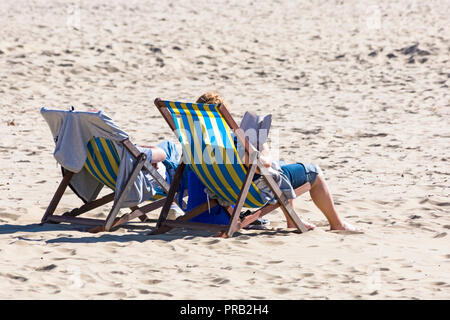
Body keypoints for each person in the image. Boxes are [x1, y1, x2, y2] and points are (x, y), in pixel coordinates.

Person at [196, 92, 360, 232]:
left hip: (222, 191)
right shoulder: (231, 143)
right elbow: (262, 166)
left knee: (280, 168)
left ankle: (292, 220)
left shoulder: (197, 144)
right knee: (313, 172)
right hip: (251, 193)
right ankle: (337, 224)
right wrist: (261, 148)